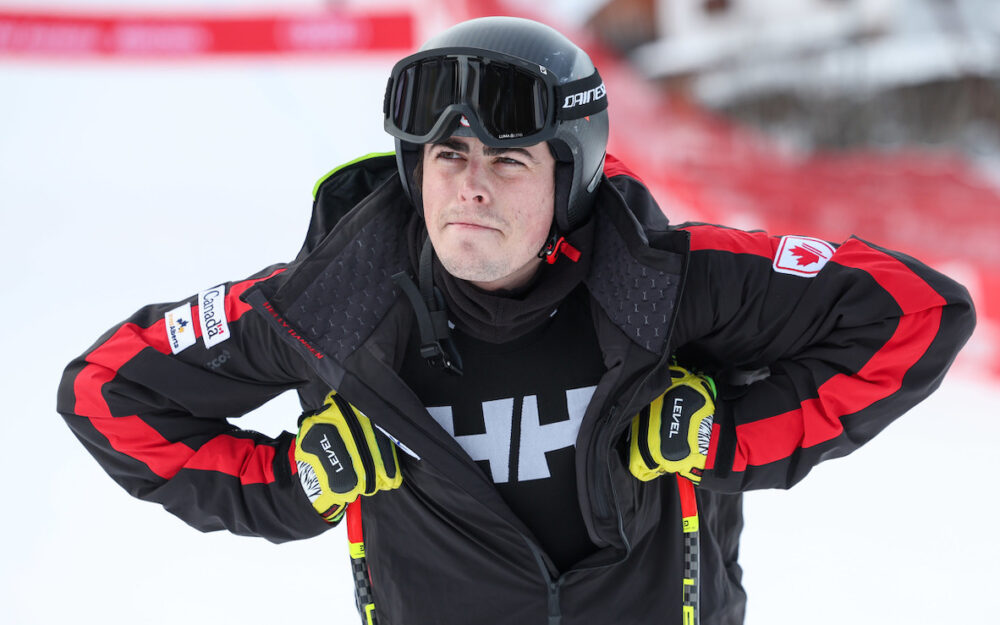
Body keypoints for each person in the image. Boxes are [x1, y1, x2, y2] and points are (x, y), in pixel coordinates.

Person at [57, 16, 975, 625]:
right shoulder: (330, 305)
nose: (471, 185)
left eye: (509, 157)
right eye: (447, 154)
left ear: (570, 175)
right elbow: (108, 392)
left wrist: (727, 437)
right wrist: (292, 482)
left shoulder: (667, 283)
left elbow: (916, 312)